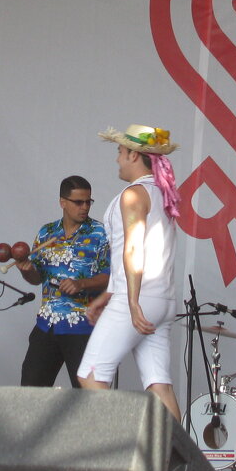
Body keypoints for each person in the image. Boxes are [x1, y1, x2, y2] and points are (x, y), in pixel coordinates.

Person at [78, 124, 181, 419]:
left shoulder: (134, 194)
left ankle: (121, 448)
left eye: (120, 152)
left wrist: (131, 301)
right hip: (162, 299)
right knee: (159, 385)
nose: (117, 159)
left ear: (134, 155)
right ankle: (182, 463)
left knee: (91, 375)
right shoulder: (162, 194)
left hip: (138, 297)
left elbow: (134, 249)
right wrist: (110, 292)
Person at [15, 175, 110, 388]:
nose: (85, 207)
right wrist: (26, 270)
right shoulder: (47, 232)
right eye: (79, 202)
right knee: (31, 390)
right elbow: (37, 278)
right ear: (62, 202)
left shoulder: (100, 233)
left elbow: (110, 276)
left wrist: (81, 284)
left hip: (82, 325)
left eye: (88, 201)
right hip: (47, 323)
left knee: (86, 398)